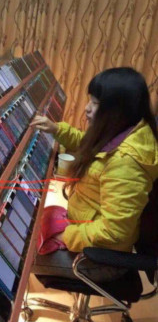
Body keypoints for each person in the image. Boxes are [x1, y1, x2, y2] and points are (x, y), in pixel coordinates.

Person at [30, 67, 158, 281]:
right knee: (38, 222)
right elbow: (91, 146)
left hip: (102, 259)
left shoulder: (127, 163)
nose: (87, 109)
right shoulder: (126, 132)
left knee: (21, 255)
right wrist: (57, 130)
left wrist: (67, 236)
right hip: (87, 230)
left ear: (118, 111)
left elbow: (114, 233)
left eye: (95, 104)